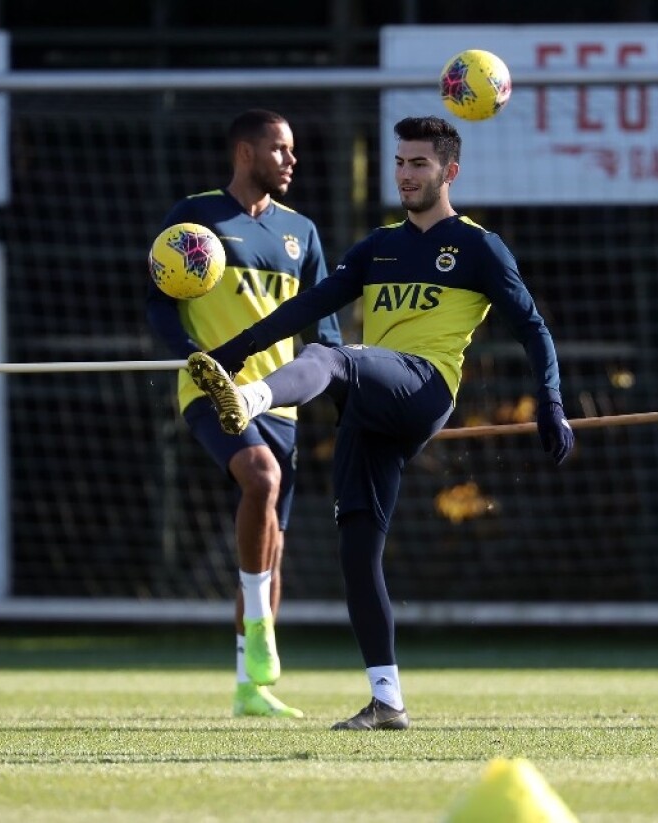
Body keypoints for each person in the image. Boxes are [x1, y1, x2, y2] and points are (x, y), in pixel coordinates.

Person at [184, 115, 574, 730]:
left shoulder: (478, 246)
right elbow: (307, 306)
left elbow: (534, 330)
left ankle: (254, 400)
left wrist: (549, 400)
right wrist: (230, 354)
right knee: (358, 550)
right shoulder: (377, 245)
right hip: (373, 400)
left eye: (418, 163)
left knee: (328, 356)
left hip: (424, 386)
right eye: (399, 162)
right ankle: (387, 700)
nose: (405, 174)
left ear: (450, 171)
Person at [146, 109, 341, 719]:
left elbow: (325, 329)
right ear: (244, 152)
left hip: (279, 402)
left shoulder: (302, 233)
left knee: (272, 545)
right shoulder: (194, 217)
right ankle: (259, 634)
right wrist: (192, 359)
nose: (291, 160)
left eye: (292, 150)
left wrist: (345, 392)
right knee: (260, 475)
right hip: (212, 393)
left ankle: (249, 689)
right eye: (280, 149)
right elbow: (159, 309)